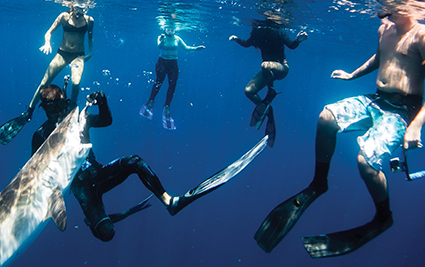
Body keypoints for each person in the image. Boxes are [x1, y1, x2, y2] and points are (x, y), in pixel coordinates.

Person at [254, 9, 425, 258]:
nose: (382, 9)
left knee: (366, 162)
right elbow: (380, 58)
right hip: (377, 100)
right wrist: (352, 75)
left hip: (403, 110)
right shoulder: (384, 30)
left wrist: (418, 124)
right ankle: (318, 183)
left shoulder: (424, 35)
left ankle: (383, 217)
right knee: (327, 117)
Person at [34, 85, 269, 241]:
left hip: (100, 173)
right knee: (107, 234)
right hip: (82, 189)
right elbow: (37, 177)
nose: (56, 112)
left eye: (59, 106)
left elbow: (106, 120)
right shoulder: (41, 135)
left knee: (134, 161)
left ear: (65, 102)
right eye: (50, 108)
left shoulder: (78, 121)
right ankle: (94, 220)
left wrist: (103, 101)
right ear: (43, 109)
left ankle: (169, 201)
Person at [0, 2, 94, 145]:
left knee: (76, 84)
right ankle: (29, 111)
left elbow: (90, 37)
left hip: (78, 55)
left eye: (84, 8)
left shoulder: (90, 21)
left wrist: (89, 53)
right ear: (72, 6)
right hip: (62, 54)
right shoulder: (64, 17)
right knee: (44, 83)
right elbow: (49, 32)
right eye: (78, 8)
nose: (81, 11)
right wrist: (47, 43)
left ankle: (71, 110)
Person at [229, 19, 308, 146]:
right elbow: (246, 43)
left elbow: (291, 45)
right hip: (267, 72)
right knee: (248, 91)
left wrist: (299, 39)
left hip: (282, 68)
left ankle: (270, 92)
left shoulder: (277, 32)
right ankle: (268, 111)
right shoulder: (258, 35)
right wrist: (236, 39)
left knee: (265, 65)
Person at [139, 28, 205, 130]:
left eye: (172, 29)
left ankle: (167, 105)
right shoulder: (161, 37)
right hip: (162, 63)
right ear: (164, 29)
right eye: (168, 29)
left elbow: (186, 48)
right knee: (159, 82)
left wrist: (196, 48)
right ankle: (151, 100)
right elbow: (159, 46)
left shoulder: (177, 38)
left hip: (173, 64)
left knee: (173, 85)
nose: (170, 30)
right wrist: (161, 40)